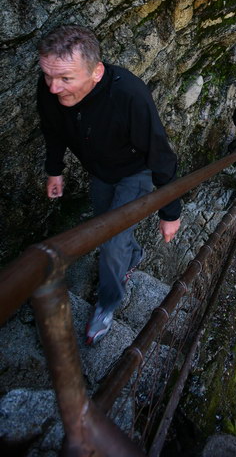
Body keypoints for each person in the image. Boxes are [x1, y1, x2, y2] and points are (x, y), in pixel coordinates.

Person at [37, 25, 181, 345]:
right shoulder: (51, 86)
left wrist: (170, 212)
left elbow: (159, 152)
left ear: (96, 72)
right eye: (48, 76)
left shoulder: (129, 94)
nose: (53, 88)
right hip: (101, 170)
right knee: (107, 229)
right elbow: (53, 129)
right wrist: (54, 170)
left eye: (65, 79)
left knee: (110, 239)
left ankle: (108, 303)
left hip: (137, 170)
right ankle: (133, 256)